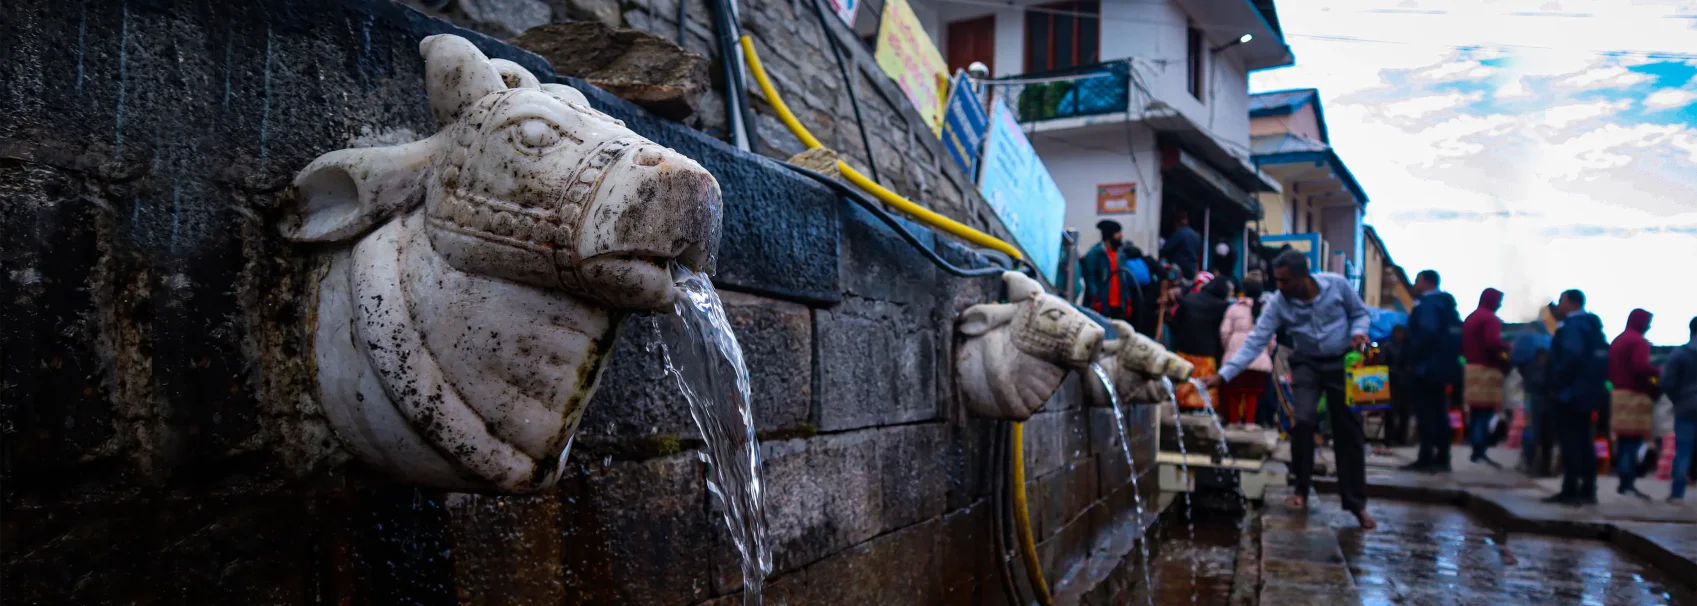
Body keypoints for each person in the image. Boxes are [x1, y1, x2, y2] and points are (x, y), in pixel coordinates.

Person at [1203, 250, 1376, 529]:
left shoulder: (1337, 285)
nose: (1280, 287)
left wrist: (1358, 332)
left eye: (1285, 281)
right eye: (1277, 281)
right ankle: (1301, 489)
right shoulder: (1278, 304)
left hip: (1340, 362)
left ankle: (1357, 505)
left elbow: (1360, 313)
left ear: (1303, 277)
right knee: (1303, 420)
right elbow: (1255, 341)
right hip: (1306, 362)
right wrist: (1224, 376)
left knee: (1350, 431)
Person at [1543, 289, 1610, 506]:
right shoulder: (1593, 328)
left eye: (1562, 301)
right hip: (1588, 394)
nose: (1559, 306)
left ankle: (1570, 489)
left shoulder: (1573, 327)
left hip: (1569, 395)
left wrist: (1556, 384)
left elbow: (1571, 357)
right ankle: (1587, 490)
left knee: (1570, 441)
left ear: (1571, 303)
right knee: (1584, 440)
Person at [1401, 270, 1463, 474]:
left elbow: (1426, 333)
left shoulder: (1428, 305)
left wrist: (1412, 357)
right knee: (1438, 413)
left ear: (1427, 282)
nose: (1415, 285)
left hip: (1425, 369)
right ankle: (1441, 457)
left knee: (1426, 413)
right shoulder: (1447, 306)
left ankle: (1426, 457)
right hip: (1442, 369)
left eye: (1417, 281)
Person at [1608, 308, 1660, 500]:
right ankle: (1627, 483)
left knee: (1623, 441)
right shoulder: (1639, 342)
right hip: (1634, 398)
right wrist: (1657, 371)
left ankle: (1624, 483)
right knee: (1632, 441)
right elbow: (1640, 367)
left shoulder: (1618, 340)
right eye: (1648, 322)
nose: (1649, 326)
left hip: (1617, 395)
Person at [1462, 288, 1511, 468]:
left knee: (1475, 411)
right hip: (1487, 371)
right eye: (1499, 301)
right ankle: (1479, 450)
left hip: (1470, 369)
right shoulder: (1491, 319)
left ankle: (1476, 447)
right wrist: (1507, 347)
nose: (1499, 305)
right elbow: (1492, 342)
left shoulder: (1471, 317)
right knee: (1484, 411)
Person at [1172, 276, 1233, 409]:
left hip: (1184, 349)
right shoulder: (1222, 306)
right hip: (1207, 353)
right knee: (1204, 388)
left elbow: (1176, 321)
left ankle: (1182, 405)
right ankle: (1202, 409)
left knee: (1184, 382)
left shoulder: (1189, 299)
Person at [1220, 277, 1273, 425]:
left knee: (1233, 391)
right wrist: (1266, 353)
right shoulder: (1265, 310)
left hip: (1235, 357)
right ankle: (1250, 423)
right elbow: (1271, 338)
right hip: (1258, 358)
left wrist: (1229, 349)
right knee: (1252, 393)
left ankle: (1234, 422)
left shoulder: (1233, 308)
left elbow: (1224, 333)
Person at [1659, 316, 1697, 502]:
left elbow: (1666, 382)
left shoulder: (1680, 353)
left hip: (1686, 406)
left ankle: (1677, 493)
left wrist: (1678, 399)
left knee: (1683, 450)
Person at [1080, 220, 1132, 321]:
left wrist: (1127, 300)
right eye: (1118, 233)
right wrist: (1095, 299)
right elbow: (1090, 278)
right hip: (1101, 305)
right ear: (1109, 236)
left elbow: (1124, 280)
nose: (1121, 236)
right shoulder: (1095, 254)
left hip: (1119, 305)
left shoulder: (1121, 256)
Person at [1521, 348, 1553, 476]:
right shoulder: (1544, 369)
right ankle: (1538, 466)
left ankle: (1532, 464)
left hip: (1534, 404)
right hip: (1540, 404)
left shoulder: (1532, 368)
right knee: (1539, 436)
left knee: (1534, 435)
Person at [1382, 324, 1413, 446]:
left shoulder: (1407, 348)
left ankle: (1402, 439)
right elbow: (1383, 364)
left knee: (1404, 413)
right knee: (1390, 413)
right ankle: (1389, 438)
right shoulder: (1387, 347)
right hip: (1392, 384)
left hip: (1405, 384)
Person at [1160, 213, 1202, 280]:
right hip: (1192, 272)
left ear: (1177, 223)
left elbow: (1165, 249)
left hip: (1179, 272)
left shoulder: (1179, 233)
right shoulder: (1197, 236)